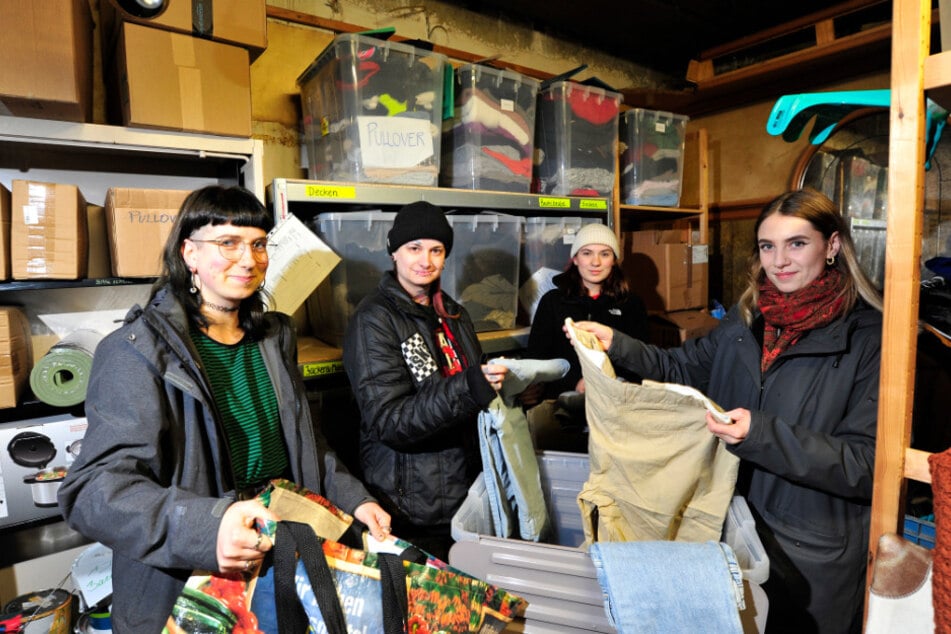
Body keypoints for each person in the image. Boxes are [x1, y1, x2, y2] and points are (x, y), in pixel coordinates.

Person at [57, 185, 390, 633]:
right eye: (227, 243)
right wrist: (207, 529)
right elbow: (93, 490)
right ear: (189, 253)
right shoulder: (135, 351)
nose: (249, 259)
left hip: (279, 565)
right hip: (186, 589)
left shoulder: (273, 339)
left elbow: (307, 447)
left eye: (257, 244)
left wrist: (356, 500)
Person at [571, 188, 883, 634]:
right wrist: (616, 344)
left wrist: (760, 434)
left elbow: (866, 464)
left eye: (797, 243)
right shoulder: (747, 320)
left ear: (832, 246)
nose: (780, 261)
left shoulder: (869, 338)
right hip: (734, 523)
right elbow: (679, 366)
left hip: (809, 549)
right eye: (767, 246)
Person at [342, 201, 507, 561]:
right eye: (414, 248)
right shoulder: (374, 320)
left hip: (463, 494)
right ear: (394, 252)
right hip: (410, 504)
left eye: (436, 250)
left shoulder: (453, 313)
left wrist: (510, 389)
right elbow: (390, 420)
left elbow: (471, 389)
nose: (425, 260)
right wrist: (470, 387)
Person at [521, 221, 649, 407]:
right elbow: (537, 361)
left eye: (604, 254)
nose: (595, 262)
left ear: (614, 260)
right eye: (587, 253)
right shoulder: (553, 302)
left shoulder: (631, 304)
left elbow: (641, 361)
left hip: (616, 402)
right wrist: (574, 383)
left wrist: (615, 384)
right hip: (562, 403)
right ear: (575, 259)